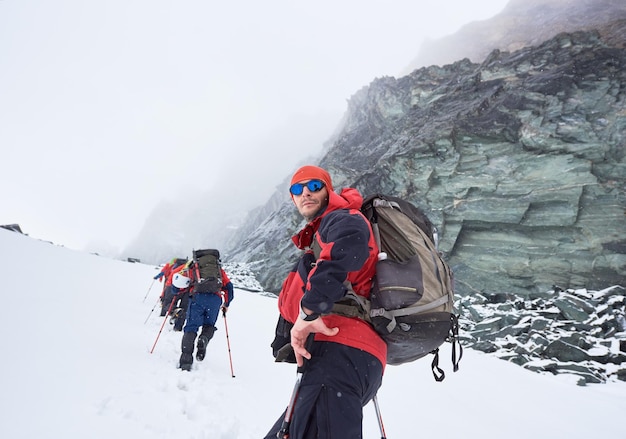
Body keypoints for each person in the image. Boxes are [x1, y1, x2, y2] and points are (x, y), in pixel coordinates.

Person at [264, 165, 387, 438]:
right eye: (297, 189)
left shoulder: (343, 218)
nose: (305, 192)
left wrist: (308, 312)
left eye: (314, 186)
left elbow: (349, 246)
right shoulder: (324, 230)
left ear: (328, 190)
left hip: (339, 354)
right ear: (292, 198)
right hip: (342, 359)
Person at [179, 264, 234, 371]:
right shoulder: (218, 270)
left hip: (197, 298)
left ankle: (186, 362)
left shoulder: (193, 268)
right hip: (215, 300)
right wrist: (226, 304)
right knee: (209, 325)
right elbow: (229, 287)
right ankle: (204, 338)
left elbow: (181, 284)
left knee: (191, 327)